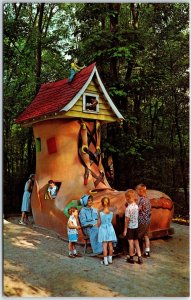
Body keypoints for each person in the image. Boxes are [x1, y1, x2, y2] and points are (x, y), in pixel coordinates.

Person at [123, 189, 143, 264]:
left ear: (127, 198)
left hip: (130, 228)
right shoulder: (136, 206)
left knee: (130, 243)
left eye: (126, 198)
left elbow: (127, 220)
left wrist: (125, 230)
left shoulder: (128, 209)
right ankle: (139, 257)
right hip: (136, 227)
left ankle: (131, 258)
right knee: (136, 242)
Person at [98, 197, 117, 266]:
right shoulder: (111, 213)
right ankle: (110, 259)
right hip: (110, 228)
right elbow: (110, 221)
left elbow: (99, 223)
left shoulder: (100, 213)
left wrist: (98, 226)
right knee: (110, 245)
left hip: (103, 229)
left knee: (104, 246)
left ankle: (105, 261)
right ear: (109, 203)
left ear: (102, 204)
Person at [136, 183, 151, 257]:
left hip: (142, 222)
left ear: (140, 191)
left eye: (137, 190)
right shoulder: (148, 199)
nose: (136, 192)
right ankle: (147, 251)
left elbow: (137, 210)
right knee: (146, 235)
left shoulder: (141, 200)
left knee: (138, 236)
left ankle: (138, 251)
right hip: (147, 221)